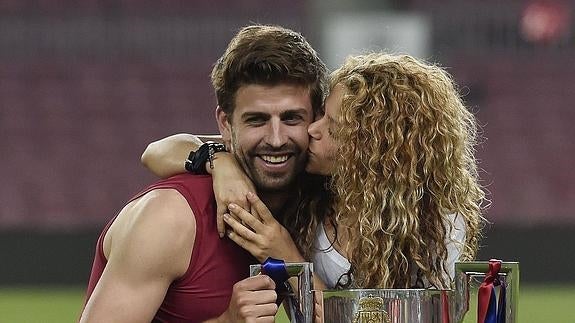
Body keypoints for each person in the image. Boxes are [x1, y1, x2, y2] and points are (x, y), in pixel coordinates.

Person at [142, 53, 485, 290]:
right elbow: (158, 151)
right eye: (320, 115)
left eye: (333, 127)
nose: (312, 130)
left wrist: (287, 257)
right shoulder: (303, 180)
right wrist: (220, 161)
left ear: (371, 149)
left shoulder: (436, 224)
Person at [80, 24, 327, 322]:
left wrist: (286, 254)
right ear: (225, 124)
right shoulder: (169, 216)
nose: (275, 139)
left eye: (291, 118)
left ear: (316, 121)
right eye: (256, 120)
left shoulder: (320, 205)